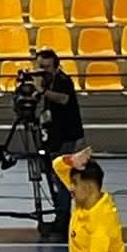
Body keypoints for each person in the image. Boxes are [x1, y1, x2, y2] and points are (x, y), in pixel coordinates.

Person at [34, 47, 84, 241]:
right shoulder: (48, 80)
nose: (43, 70)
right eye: (40, 66)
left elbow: (63, 99)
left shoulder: (63, 81)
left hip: (66, 135)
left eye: (46, 67)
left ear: (55, 65)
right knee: (55, 174)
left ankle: (63, 218)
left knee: (61, 176)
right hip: (54, 135)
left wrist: (42, 91)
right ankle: (60, 214)